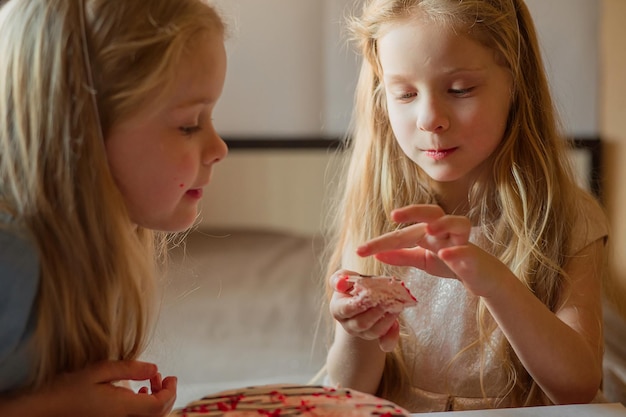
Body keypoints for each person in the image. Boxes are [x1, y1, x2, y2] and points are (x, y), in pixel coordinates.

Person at [324, 0, 609, 412]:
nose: (429, 119)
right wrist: (357, 329)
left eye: (459, 90)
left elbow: (578, 387)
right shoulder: (377, 210)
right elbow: (348, 392)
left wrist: (493, 281)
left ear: (516, 83)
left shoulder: (567, 217)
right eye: (404, 93)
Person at [0, 0, 228, 415]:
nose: (218, 148)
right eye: (189, 124)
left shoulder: (91, 249)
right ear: (81, 131)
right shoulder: (12, 258)